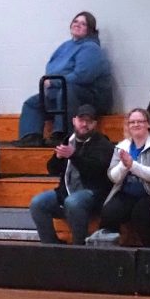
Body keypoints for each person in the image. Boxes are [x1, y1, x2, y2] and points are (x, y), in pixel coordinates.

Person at [13, 12, 113, 147]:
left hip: (90, 96)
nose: (78, 25)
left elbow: (83, 76)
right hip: (63, 90)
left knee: (66, 91)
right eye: (76, 21)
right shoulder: (65, 46)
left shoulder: (91, 48)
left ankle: (61, 133)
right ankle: (30, 137)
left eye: (83, 24)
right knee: (32, 103)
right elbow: (51, 69)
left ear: (90, 30)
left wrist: (54, 82)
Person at [28, 104, 114, 245]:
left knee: (73, 202)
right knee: (38, 203)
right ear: (74, 121)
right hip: (66, 191)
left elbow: (96, 172)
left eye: (89, 121)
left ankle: (78, 247)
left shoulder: (103, 144)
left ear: (95, 124)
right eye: (81, 120)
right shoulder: (69, 140)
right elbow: (52, 169)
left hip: (93, 193)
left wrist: (73, 155)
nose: (84, 124)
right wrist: (58, 157)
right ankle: (51, 246)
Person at [91, 109, 150, 247]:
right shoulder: (121, 147)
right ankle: (109, 254)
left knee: (142, 215)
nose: (136, 124)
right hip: (127, 193)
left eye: (140, 121)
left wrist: (133, 166)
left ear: (148, 124)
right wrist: (124, 166)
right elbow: (113, 177)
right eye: (132, 122)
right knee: (109, 212)